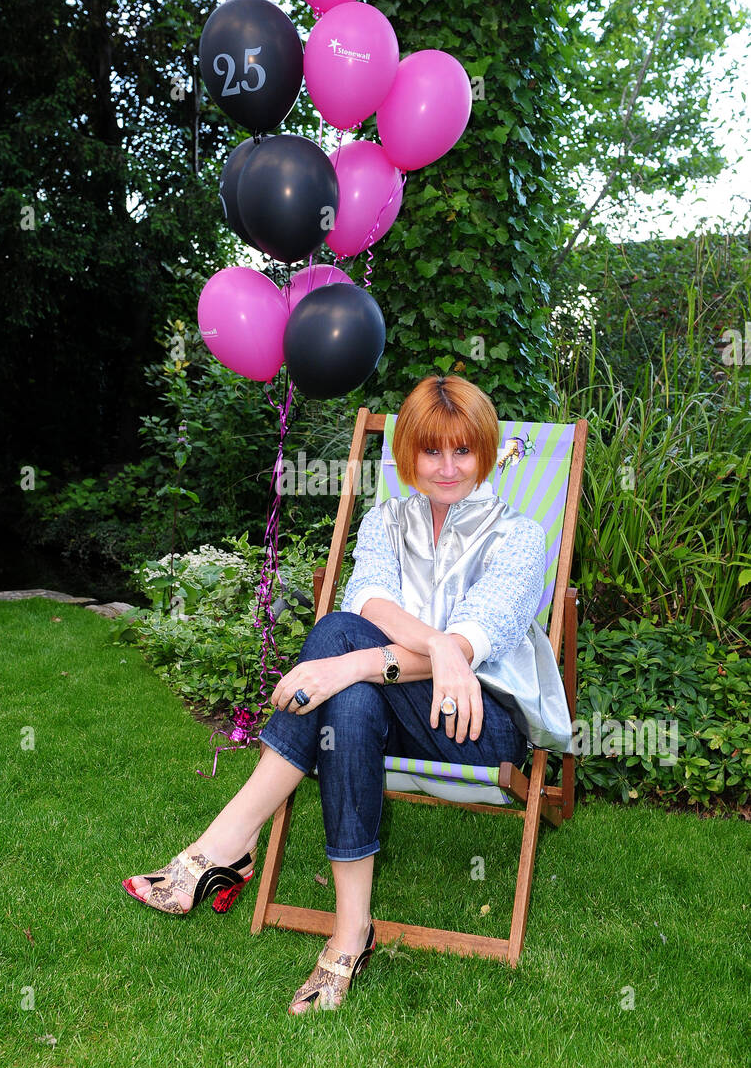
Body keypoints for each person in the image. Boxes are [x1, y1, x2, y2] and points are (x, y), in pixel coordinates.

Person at [122, 374, 572, 1013]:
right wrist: (429, 650)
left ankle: (226, 845)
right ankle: (349, 933)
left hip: (479, 721)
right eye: (431, 450)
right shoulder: (386, 521)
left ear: (487, 451)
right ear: (409, 455)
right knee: (350, 687)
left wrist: (412, 655)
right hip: (394, 702)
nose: (447, 467)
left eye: (463, 450)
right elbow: (368, 598)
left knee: (339, 648)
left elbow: (480, 636)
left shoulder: (519, 536)